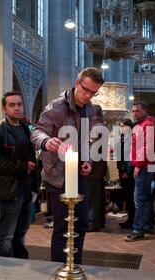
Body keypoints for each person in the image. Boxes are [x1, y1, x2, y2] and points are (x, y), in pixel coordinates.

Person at [31, 67, 104, 264]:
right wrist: (47, 141)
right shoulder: (56, 106)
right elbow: (37, 132)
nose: (88, 96)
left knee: (81, 225)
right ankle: (60, 267)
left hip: (79, 175)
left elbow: (86, 141)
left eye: (93, 92)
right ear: (77, 83)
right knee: (63, 227)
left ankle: (75, 264)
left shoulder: (89, 109)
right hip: (59, 176)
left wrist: (87, 161)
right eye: (86, 90)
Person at [0, 91, 41, 259]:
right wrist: (22, 167)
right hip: (9, 188)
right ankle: (4, 264)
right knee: (7, 232)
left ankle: (19, 260)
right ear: (4, 109)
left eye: (19, 104)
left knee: (22, 229)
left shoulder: (25, 128)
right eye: (12, 105)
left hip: (26, 186)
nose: (17, 108)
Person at [124, 100, 155, 242]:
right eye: (133, 111)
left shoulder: (148, 124)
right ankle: (148, 224)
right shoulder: (141, 124)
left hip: (144, 165)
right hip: (143, 164)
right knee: (144, 196)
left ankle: (138, 230)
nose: (134, 113)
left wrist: (138, 165)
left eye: (137, 111)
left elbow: (147, 148)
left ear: (144, 110)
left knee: (139, 199)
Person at [87, 105, 107, 232]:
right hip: (100, 166)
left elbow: (93, 149)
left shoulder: (96, 128)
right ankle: (100, 221)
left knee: (93, 197)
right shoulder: (102, 126)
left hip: (94, 167)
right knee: (99, 195)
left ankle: (93, 222)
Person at [117, 119, 136, 229]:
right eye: (120, 126)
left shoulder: (130, 138)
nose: (121, 128)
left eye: (123, 126)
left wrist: (126, 171)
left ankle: (132, 220)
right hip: (123, 170)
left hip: (128, 172)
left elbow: (129, 157)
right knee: (128, 197)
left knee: (130, 197)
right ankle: (130, 219)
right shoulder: (124, 138)